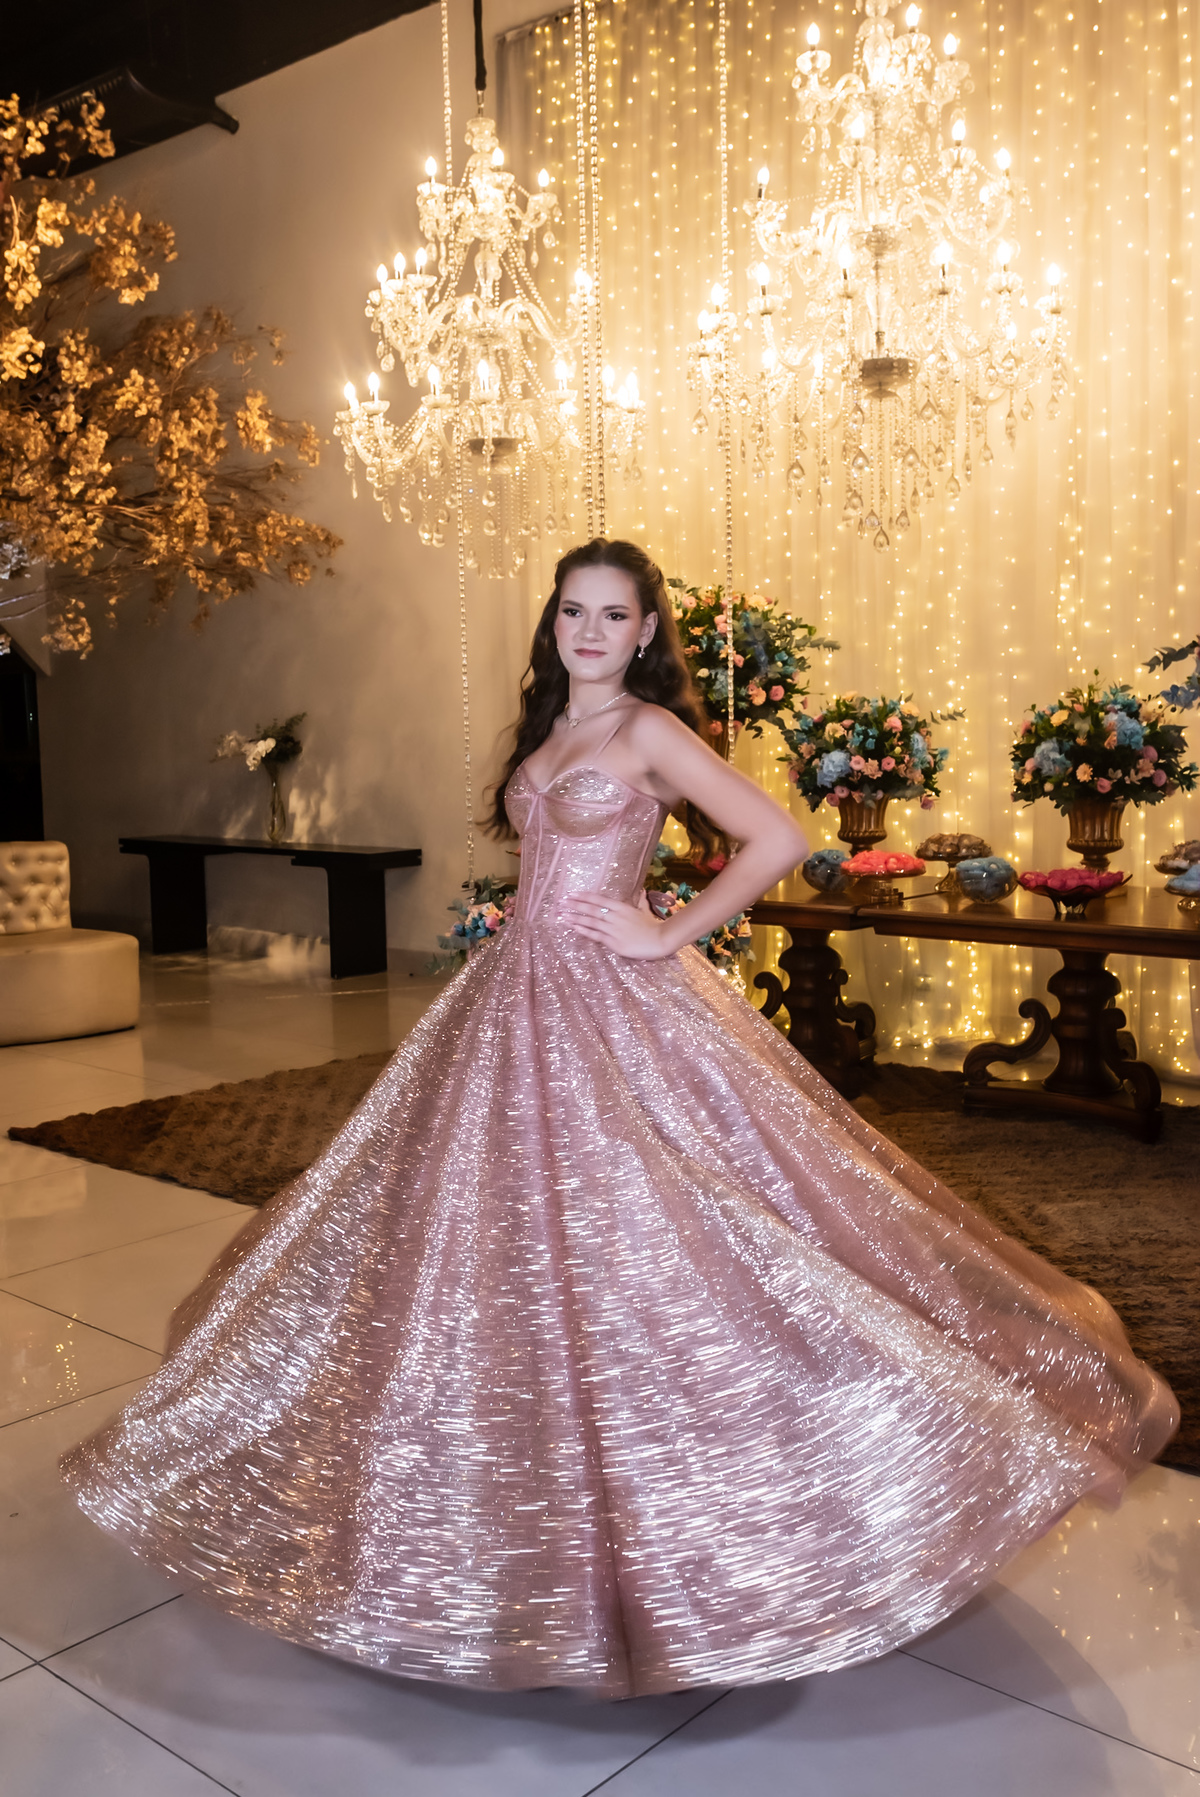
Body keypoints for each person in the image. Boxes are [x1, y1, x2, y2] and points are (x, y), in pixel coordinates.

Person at [63, 538, 1178, 1700]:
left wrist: (662, 931)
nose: (588, 632)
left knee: (668, 1216)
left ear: (645, 631)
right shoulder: (547, 732)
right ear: (552, 622)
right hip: (513, 996)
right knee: (468, 1228)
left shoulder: (650, 732)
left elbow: (779, 839)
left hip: (615, 996)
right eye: (572, 611)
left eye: (611, 615)